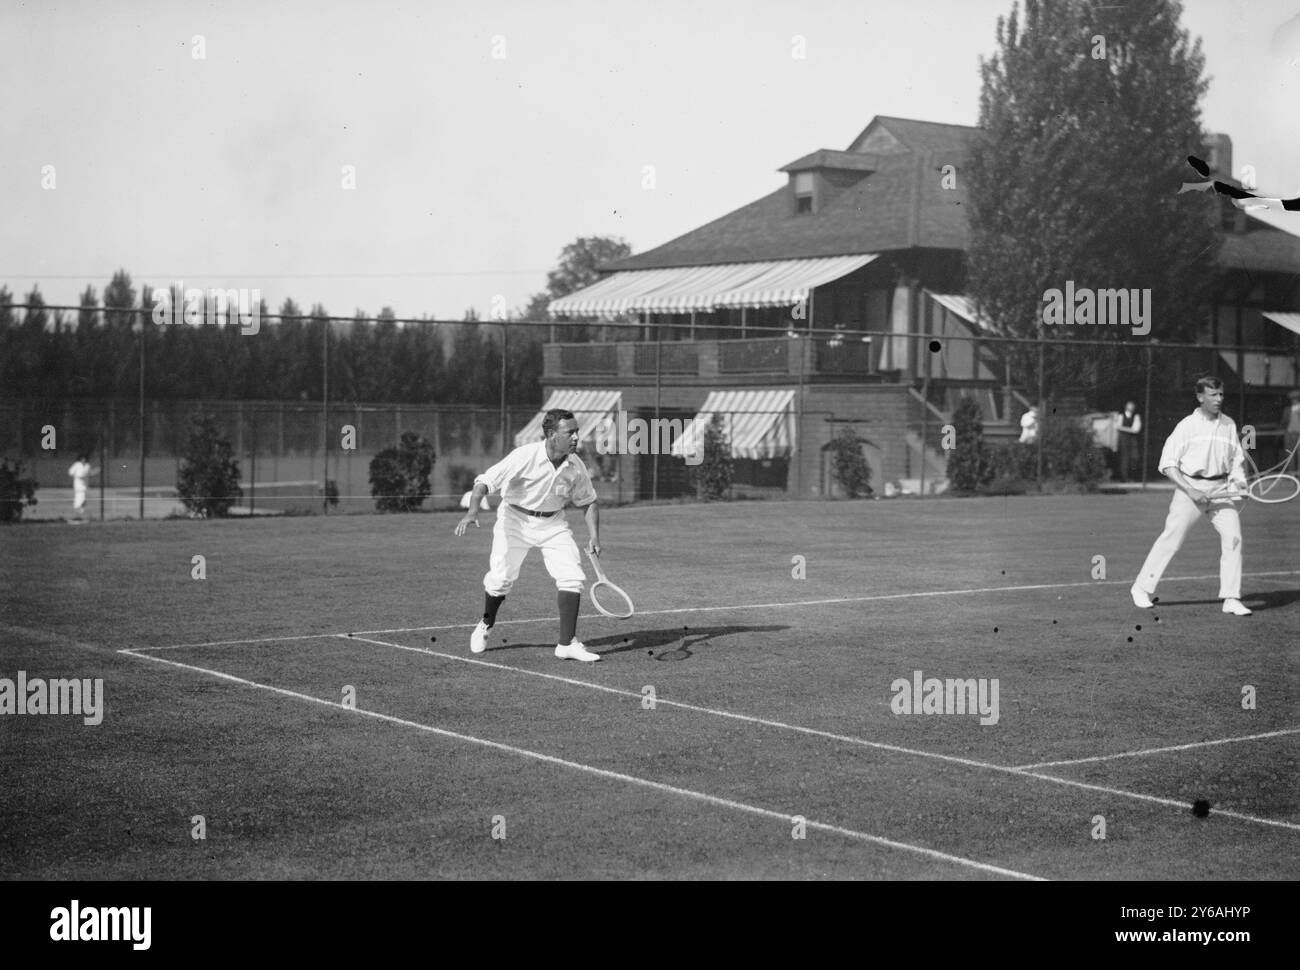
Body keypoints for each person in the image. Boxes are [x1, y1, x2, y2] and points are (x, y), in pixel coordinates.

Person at [454, 409, 603, 662]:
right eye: (571, 432)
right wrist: (472, 512)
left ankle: (566, 644)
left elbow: (589, 502)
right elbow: (484, 482)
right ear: (552, 435)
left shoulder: (575, 466)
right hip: (514, 520)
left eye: (577, 432)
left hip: (553, 523)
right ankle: (486, 623)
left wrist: (594, 536)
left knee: (572, 577)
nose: (577, 437)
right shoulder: (524, 456)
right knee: (500, 578)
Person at [1131, 377, 1251, 616]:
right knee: (1171, 540)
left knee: (1234, 539)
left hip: (1220, 491)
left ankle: (1231, 598)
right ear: (1200, 397)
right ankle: (1141, 588)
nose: (1219, 399)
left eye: (1221, 394)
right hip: (1190, 490)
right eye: (1213, 395)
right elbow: (1167, 465)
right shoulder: (1187, 426)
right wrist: (1191, 490)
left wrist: (1240, 483)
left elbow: (1235, 460)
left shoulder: (1228, 424)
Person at [1116, 400, 1142, 481]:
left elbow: (1136, 430)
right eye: (1129, 405)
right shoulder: (1121, 416)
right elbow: (1118, 427)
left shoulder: (1136, 416)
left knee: (1134, 457)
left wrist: (1123, 428)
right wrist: (1130, 429)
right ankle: (1124, 477)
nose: (1131, 407)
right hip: (1124, 439)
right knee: (1124, 458)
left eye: (1132, 406)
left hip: (1133, 439)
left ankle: (1132, 477)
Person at [67, 454, 97, 522]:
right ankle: (78, 514)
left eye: (85, 459)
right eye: (82, 459)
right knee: (79, 499)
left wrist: (96, 471)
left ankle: (79, 515)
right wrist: (78, 476)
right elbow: (70, 472)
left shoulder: (87, 466)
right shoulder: (77, 464)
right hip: (78, 485)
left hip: (85, 486)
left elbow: (89, 474)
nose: (84, 460)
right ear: (80, 459)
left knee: (83, 500)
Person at [1282, 390, 1300, 474]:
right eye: (1292, 399)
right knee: (1290, 455)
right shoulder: (1287, 410)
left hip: (1299, 434)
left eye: (1295, 398)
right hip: (1289, 434)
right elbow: (1283, 422)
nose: (1294, 400)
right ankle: (1291, 474)